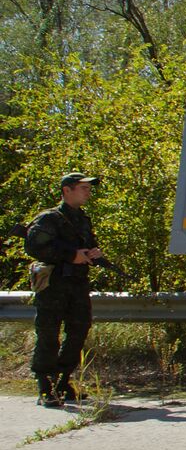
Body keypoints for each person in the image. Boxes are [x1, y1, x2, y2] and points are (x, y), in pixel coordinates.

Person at [24, 173, 103, 407]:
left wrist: (93, 253)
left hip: (77, 284)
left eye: (89, 188)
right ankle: (45, 387)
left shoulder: (82, 219)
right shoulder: (49, 218)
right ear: (67, 190)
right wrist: (70, 255)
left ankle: (63, 382)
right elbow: (33, 247)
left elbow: (87, 245)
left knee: (79, 330)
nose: (88, 192)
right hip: (54, 284)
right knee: (48, 333)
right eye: (83, 188)